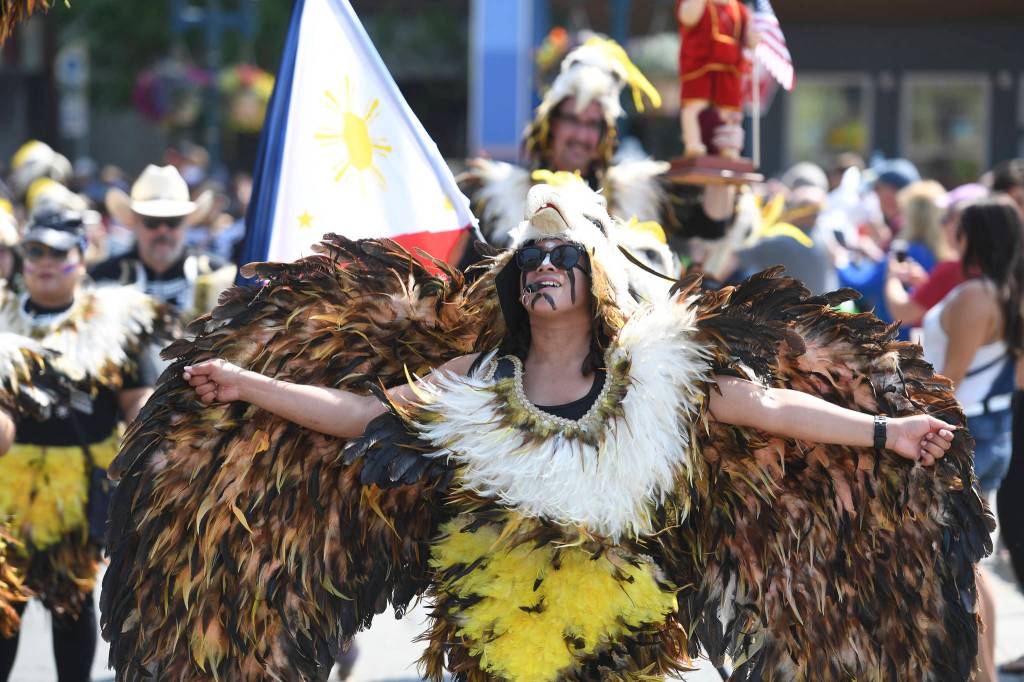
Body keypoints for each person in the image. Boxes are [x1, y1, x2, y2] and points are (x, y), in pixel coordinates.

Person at [102, 181, 987, 681]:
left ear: (594, 276)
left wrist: (886, 435)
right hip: (495, 627)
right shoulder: (477, 381)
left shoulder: (657, 375)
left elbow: (767, 409)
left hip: (621, 625)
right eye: (531, 260)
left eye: (564, 258)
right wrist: (251, 384)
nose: (544, 270)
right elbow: (364, 418)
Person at [0, 209, 167, 682]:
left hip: (78, 493)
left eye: (59, 251)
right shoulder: (2, 316)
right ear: (22, 258)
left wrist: (155, 439)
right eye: (35, 251)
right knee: (2, 609)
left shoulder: (112, 320)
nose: (46, 261)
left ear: (81, 257)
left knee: (70, 609)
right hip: (5, 491)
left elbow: (138, 398)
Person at [459, 37, 739, 266]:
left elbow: (712, 224)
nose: (581, 135)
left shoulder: (639, 195)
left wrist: (725, 157)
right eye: (572, 119)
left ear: (605, 136)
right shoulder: (496, 198)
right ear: (550, 124)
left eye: (593, 124)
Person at [920, 198, 1024, 682]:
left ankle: (981, 676)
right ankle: (985, 674)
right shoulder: (1008, 292)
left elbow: (948, 381)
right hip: (994, 429)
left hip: (964, 436)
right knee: (974, 565)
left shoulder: (976, 296)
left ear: (971, 237)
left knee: (963, 569)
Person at [89, 164, 236, 321]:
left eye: (173, 221)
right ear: (135, 224)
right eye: (152, 222)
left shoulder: (219, 276)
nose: (163, 231)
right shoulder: (103, 278)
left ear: (186, 223)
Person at [885, 183, 988, 329]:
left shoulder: (953, 269)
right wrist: (924, 284)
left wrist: (892, 276)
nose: (941, 224)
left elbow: (903, 313)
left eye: (948, 218)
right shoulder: (997, 267)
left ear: (966, 225)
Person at [675, 0, 757, 158]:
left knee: (728, 110)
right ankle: (693, 143)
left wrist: (755, 37)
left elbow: (749, 39)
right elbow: (687, 17)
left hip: (729, 68)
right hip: (700, 65)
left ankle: (728, 146)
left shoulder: (739, 10)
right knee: (695, 105)